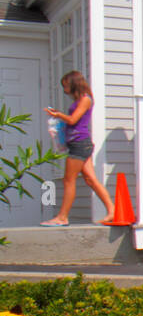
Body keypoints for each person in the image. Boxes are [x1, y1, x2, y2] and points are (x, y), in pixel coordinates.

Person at [41, 71, 115, 225]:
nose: (64, 89)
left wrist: (58, 115)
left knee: (69, 180)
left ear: (74, 83)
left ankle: (62, 217)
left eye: (66, 85)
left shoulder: (85, 99)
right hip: (80, 143)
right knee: (91, 180)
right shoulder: (80, 100)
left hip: (79, 144)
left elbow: (73, 119)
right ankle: (112, 210)